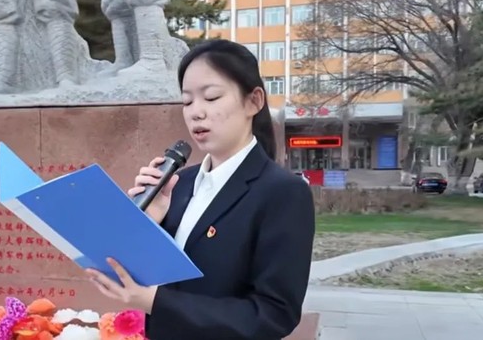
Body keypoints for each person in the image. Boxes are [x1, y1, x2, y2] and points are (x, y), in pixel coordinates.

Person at [86, 39, 316, 339]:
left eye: (211, 97)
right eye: (187, 101)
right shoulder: (178, 184)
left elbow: (273, 315)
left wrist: (155, 301)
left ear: (253, 101)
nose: (196, 112)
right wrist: (150, 224)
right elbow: (160, 275)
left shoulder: (283, 193)